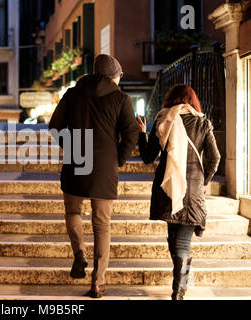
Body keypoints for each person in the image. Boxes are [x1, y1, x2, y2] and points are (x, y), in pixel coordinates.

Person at [49, 54, 138, 298]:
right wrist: (118, 158)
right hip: (104, 168)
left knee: (72, 212)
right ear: (113, 76)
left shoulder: (72, 94)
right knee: (102, 225)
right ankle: (97, 282)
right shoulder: (121, 99)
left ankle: (79, 255)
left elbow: (54, 127)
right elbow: (131, 133)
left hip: (77, 162)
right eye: (119, 75)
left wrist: (73, 149)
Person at [136, 84, 221, 300]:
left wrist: (141, 134)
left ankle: (179, 289)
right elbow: (215, 157)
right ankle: (180, 287)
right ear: (193, 101)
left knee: (176, 242)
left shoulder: (163, 119)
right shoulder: (203, 122)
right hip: (192, 191)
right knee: (178, 243)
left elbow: (148, 157)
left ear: (170, 100)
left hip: (168, 188)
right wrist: (205, 180)